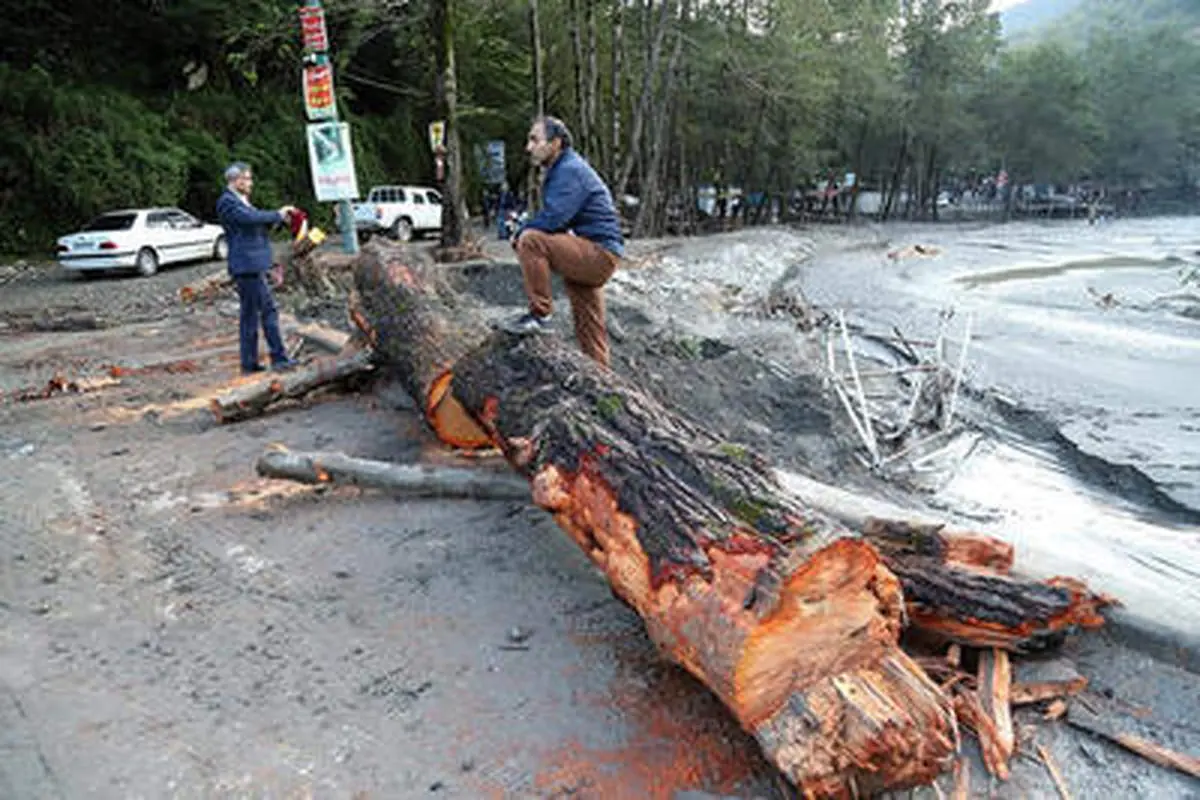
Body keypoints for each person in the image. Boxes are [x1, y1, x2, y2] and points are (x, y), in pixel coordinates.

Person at [502, 116, 624, 367]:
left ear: (555, 143)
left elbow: (555, 218)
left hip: (598, 254)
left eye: (535, 140)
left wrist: (520, 232)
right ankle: (601, 377)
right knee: (589, 326)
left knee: (531, 240)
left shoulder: (570, 171)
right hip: (595, 252)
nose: (528, 147)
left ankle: (540, 315)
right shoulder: (564, 168)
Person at [216, 162, 299, 375]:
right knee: (268, 311)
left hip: (253, 264)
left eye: (250, 178)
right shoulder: (227, 202)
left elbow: (256, 226)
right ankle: (279, 358)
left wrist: (279, 221)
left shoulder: (241, 201)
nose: (251, 182)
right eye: (247, 178)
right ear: (235, 180)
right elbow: (249, 219)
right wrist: (277, 214)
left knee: (250, 315)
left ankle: (249, 363)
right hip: (246, 266)